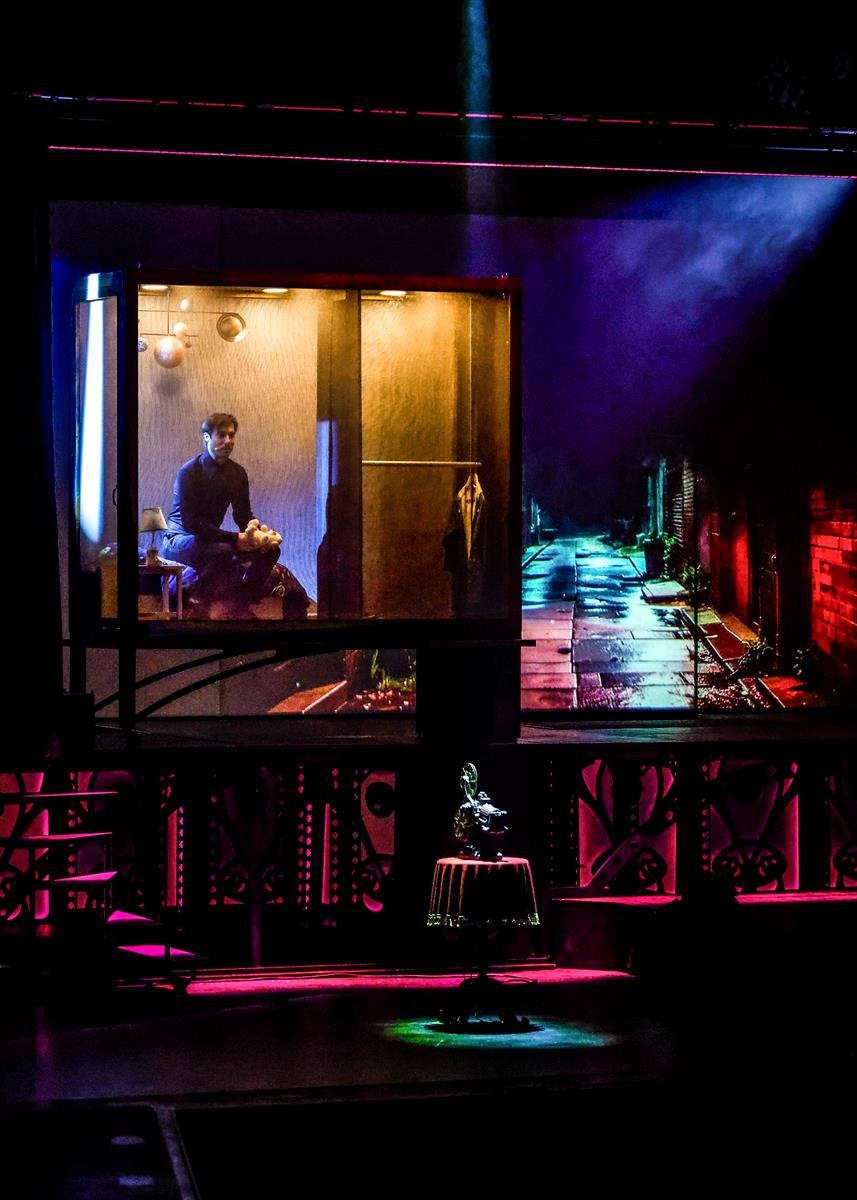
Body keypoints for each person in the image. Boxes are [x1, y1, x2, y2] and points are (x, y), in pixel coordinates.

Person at [162, 413, 280, 618]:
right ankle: (198, 605)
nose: (228, 441)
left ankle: (242, 600)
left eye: (231, 436)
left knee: (271, 552)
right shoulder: (189, 472)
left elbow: (243, 516)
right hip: (179, 538)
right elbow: (191, 524)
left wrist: (259, 537)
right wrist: (234, 539)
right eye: (222, 435)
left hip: (210, 538)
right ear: (207, 437)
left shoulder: (237, 473)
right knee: (223, 551)